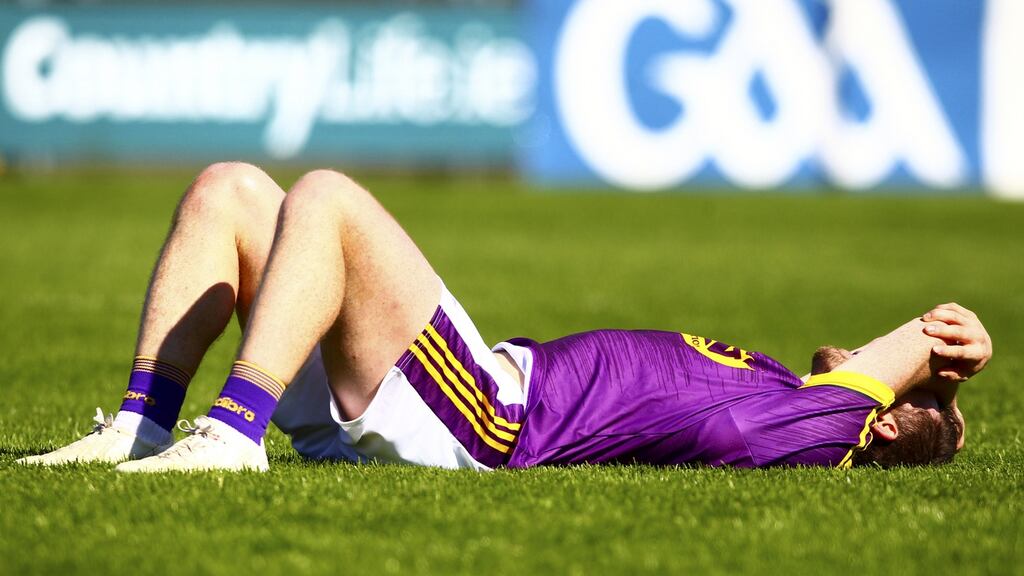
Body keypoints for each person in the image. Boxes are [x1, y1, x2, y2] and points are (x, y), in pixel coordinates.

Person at [17, 163, 992, 472]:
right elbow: (895, 380)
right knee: (229, 190)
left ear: (878, 416)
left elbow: (922, 340)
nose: (861, 353)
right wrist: (928, 397)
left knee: (328, 199)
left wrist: (947, 361)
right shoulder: (790, 391)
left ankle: (233, 436)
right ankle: (141, 425)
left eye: (889, 384)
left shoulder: (817, 423)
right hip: (448, 390)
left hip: (487, 416)